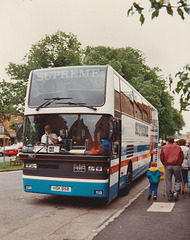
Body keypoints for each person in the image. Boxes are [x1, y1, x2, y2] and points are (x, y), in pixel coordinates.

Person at [160, 136, 184, 201]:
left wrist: (164, 164)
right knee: (178, 180)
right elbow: (181, 156)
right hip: (176, 165)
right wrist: (180, 163)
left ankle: (169, 196)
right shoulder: (178, 147)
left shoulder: (164, 147)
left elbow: (161, 157)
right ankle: (176, 193)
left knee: (168, 181)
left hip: (168, 166)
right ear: (173, 141)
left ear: (167, 141)